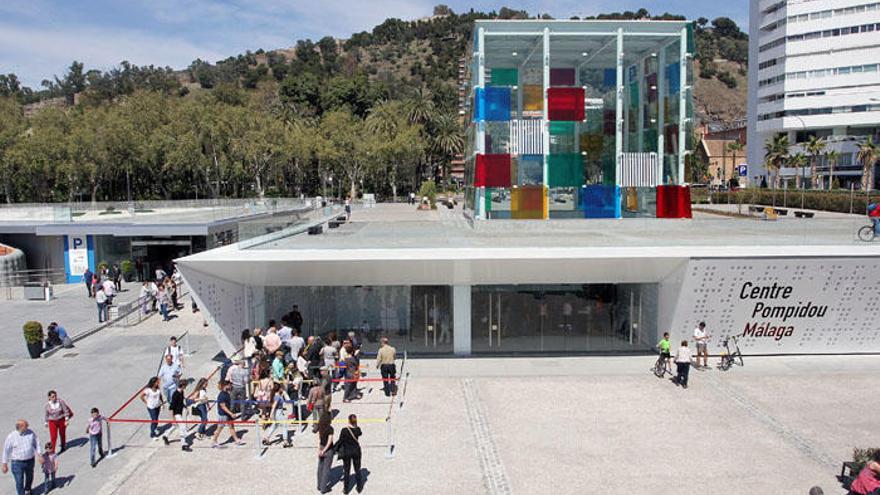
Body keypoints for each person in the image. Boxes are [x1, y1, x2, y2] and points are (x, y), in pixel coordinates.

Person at [1, 419, 44, 495]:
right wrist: (4, 464)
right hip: (17, 463)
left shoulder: (31, 433)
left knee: (30, 477)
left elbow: (37, 443)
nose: (28, 426)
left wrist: (39, 455)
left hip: (30, 460)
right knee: (19, 481)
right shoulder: (11, 436)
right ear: (20, 427)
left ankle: (28, 489)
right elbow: (6, 450)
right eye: (26, 425)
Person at [335, 414, 363, 494]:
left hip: (347, 452)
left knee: (347, 471)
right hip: (356, 451)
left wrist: (335, 449)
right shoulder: (358, 429)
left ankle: (346, 489)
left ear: (348, 420)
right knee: (357, 469)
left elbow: (340, 440)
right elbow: (360, 433)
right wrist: (355, 425)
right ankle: (359, 487)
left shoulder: (344, 430)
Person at [212, 380, 244, 448]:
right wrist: (231, 413)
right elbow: (223, 406)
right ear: (225, 386)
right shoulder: (222, 395)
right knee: (219, 428)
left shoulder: (226, 393)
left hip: (228, 414)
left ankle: (236, 440)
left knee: (231, 426)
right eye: (229, 385)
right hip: (223, 414)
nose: (231, 386)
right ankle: (214, 441)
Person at [162, 380, 190, 451]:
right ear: (183, 386)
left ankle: (165, 435)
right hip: (176, 414)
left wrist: (185, 406)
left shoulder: (181, 392)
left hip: (179, 412)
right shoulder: (176, 394)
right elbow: (171, 408)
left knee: (175, 426)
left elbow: (181, 402)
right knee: (182, 427)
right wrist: (173, 419)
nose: (186, 387)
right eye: (185, 386)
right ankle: (183, 444)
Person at [263, 383, 292, 448]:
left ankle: (266, 438)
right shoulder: (278, 396)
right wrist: (271, 415)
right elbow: (274, 406)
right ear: (279, 389)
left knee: (274, 425)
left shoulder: (274, 395)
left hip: (277, 412)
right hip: (278, 412)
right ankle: (285, 442)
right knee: (284, 425)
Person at [315, 412, 335, 494]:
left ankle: (319, 485)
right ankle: (323, 488)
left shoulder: (320, 426)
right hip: (328, 450)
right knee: (326, 469)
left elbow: (319, 439)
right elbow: (329, 441)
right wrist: (325, 450)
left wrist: (320, 450)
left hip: (321, 447)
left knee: (320, 467)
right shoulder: (330, 428)